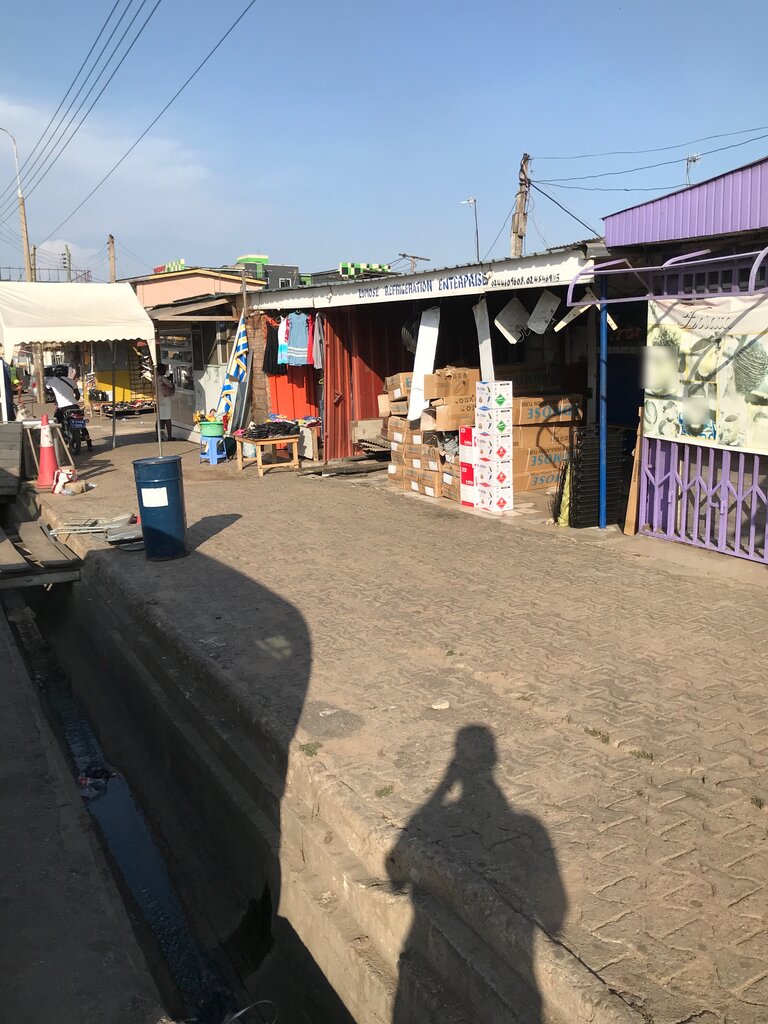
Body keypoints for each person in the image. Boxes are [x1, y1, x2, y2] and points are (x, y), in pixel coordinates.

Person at [44, 372, 93, 449]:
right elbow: (77, 395)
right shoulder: (71, 381)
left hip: (63, 408)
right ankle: (89, 443)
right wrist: (73, 402)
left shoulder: (52, 381)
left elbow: (46, 389)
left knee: (55, 421)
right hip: (75, 406)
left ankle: (63, 437)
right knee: (81, 423)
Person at [155, 363, 175, 441]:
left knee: (159, 419)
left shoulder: (154, 378)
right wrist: (171, 379)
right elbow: (171, 386)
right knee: (167, 418)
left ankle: (158, 436)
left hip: (158, 399)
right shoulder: (162, 378)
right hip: (166, 399)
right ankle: (169, 436)